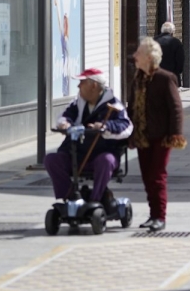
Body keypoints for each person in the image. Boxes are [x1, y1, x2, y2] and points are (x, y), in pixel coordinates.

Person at [44, 69, 132, 214]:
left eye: (82, 82)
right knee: (51, 160)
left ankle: (95, 200)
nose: (78, 86)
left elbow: (126, 127)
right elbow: (65, 116)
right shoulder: (78, 103)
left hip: (102, 152)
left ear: (94, 86)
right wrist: (65, 123)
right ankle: (70, 197)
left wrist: (105, 127)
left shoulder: (114, 105)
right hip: (77, 153)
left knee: (106, 160)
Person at [128, 38, 186, 232]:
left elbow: (176, 109)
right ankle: (153, 215)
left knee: (157, 175)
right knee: (147, 176)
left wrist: (175, 134)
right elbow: (131, 109)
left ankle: (160, 217)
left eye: (138, 53)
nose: (134, 56)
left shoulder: (165, 78)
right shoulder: (137, 79)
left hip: (161, 136)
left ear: (148, 57)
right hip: (142, 136)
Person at [154, 22, 185, 87]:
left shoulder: (154, 41)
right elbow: (180, 59)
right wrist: (178, 71)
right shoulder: (176, 42)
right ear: (172, 31)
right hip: (172, 74)